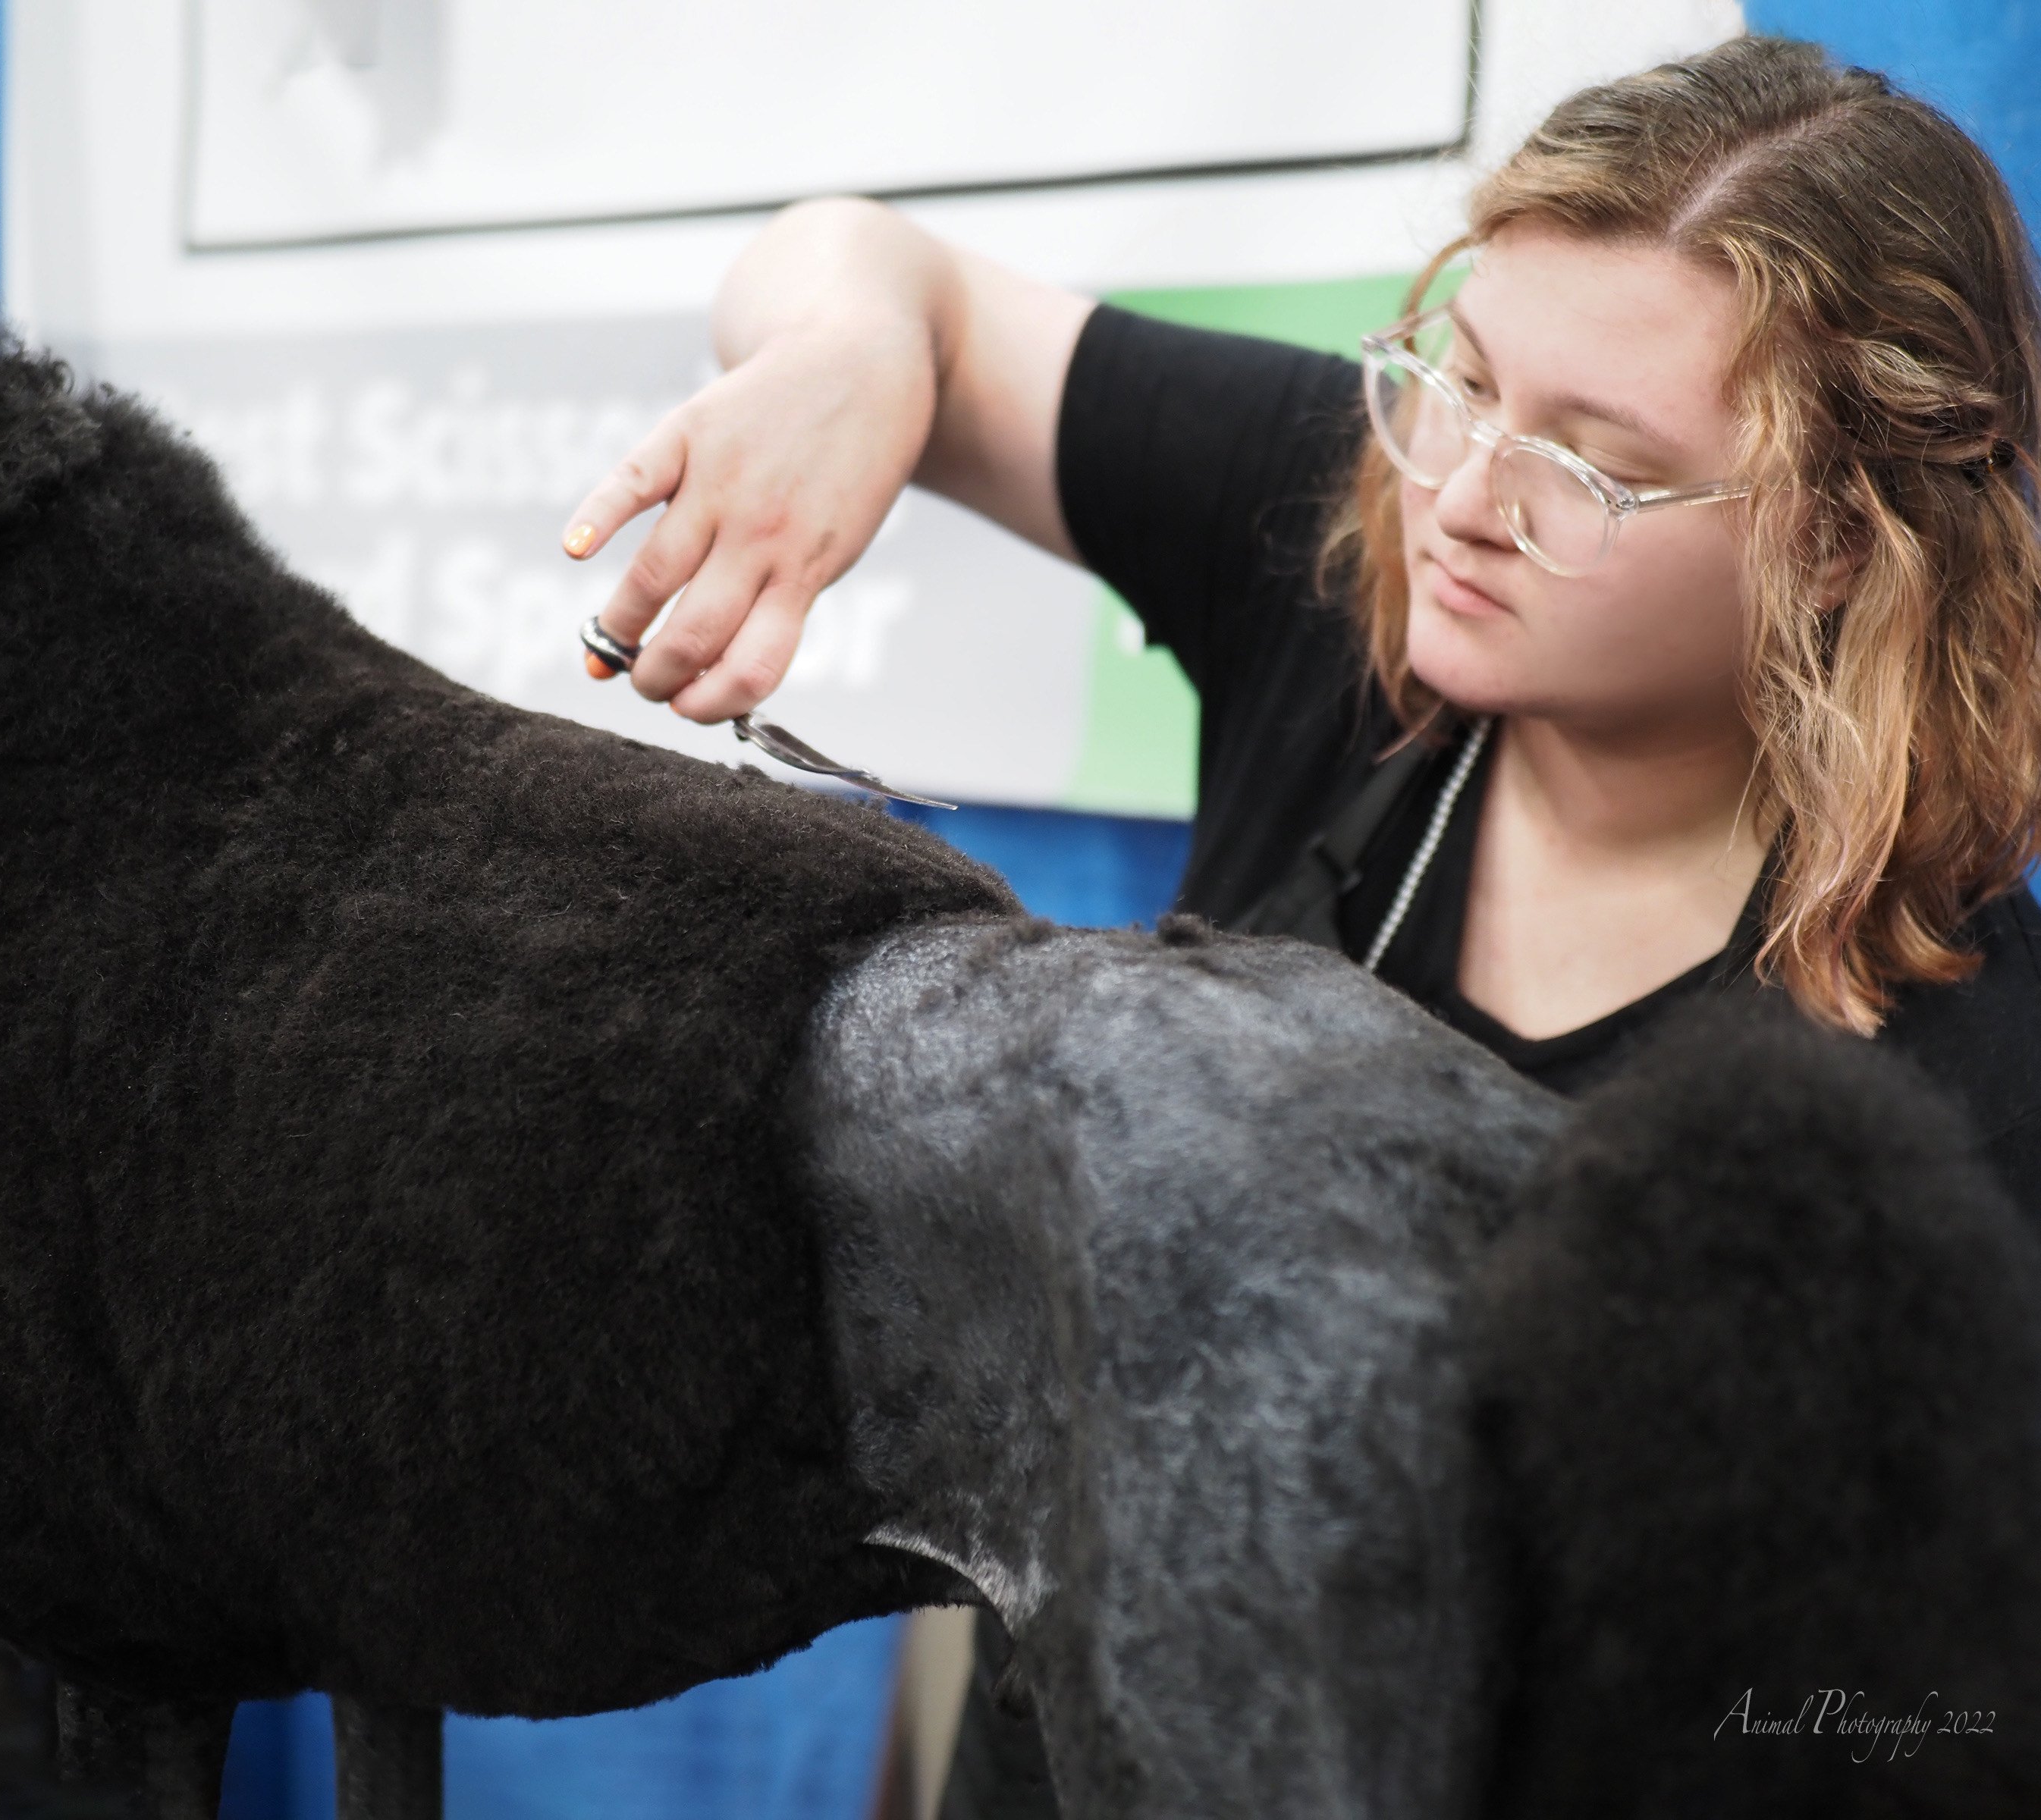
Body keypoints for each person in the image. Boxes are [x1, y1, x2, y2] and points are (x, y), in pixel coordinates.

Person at [560, 33, 2041, 1814]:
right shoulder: (1343, 568)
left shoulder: (1971, 1102)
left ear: (1834, 542)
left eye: (1593, 466)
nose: (1467, 494)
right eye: (1461, 375)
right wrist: (857, 350)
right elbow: (873, 268)